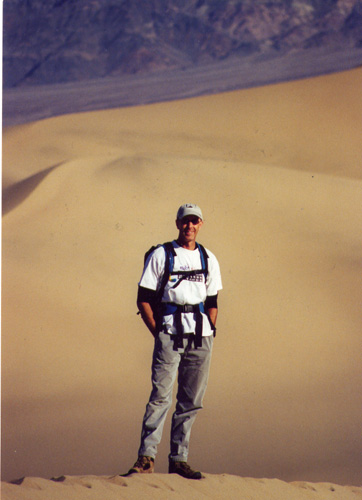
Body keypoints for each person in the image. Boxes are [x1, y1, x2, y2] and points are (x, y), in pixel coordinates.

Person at [126, 203, 222, 480]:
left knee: (191, 400)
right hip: (169, 334)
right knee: (160, 397)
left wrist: (210, 327)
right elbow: (143, 298)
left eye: (195, 221)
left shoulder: (208, 258)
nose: (189, 226)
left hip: (200, 337)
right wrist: (158, 332)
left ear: (201, 224)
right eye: (185, 221)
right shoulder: (161, 254)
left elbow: (213, 300)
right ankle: (146, 458)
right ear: (177, 223)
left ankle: (179, 459)